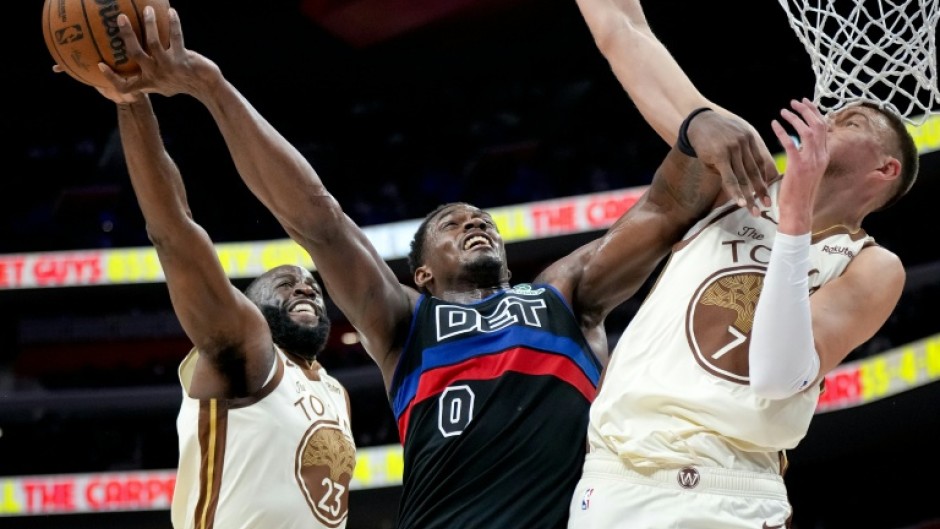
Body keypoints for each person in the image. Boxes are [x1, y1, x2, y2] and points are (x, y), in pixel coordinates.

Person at [87, 4, 778, 527]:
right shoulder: (404, 324)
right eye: (452, 223)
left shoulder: (567, 294)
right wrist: (209, 85)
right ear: (422, 273)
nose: (474, 220)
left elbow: (666, 204)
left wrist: (697, 124)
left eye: (481, 218)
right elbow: (315, 219)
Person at [564, 28, 919, 529]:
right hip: (616, 480)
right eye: (831, 114)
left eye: (851, 121)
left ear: (885, 169)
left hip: (732, 493)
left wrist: (794, 217)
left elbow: (777, 376)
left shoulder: (871, 264)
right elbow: (626, 38)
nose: (828, 121)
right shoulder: (731, 181)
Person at [84, 72, 356, 528]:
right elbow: (174, 232)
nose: (306, 286)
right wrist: (132, 102)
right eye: (285, 282)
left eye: (310, 283)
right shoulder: (246, 347)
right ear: (249, 305)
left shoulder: (336, 391)